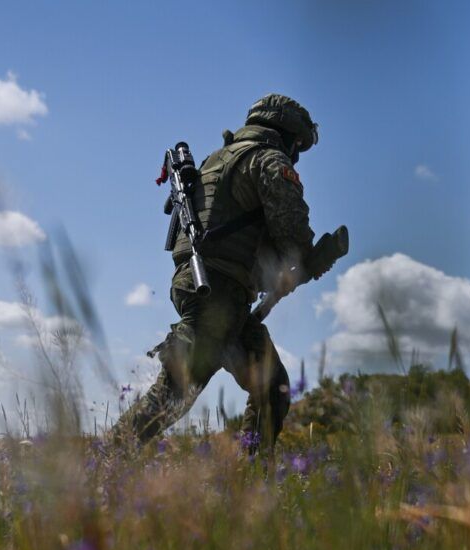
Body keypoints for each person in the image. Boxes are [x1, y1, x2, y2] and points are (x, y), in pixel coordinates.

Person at [116, 94, 320, 452]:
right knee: (174, 395)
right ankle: (101, 465)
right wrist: (308, 257)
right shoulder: (267, 159)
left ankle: (251, 479)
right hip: (217, 292)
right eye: (297, 145)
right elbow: (292, 231)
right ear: (286, 134)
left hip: (208, 286)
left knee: (272, 388)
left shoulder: (217, 161)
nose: (296, 154)